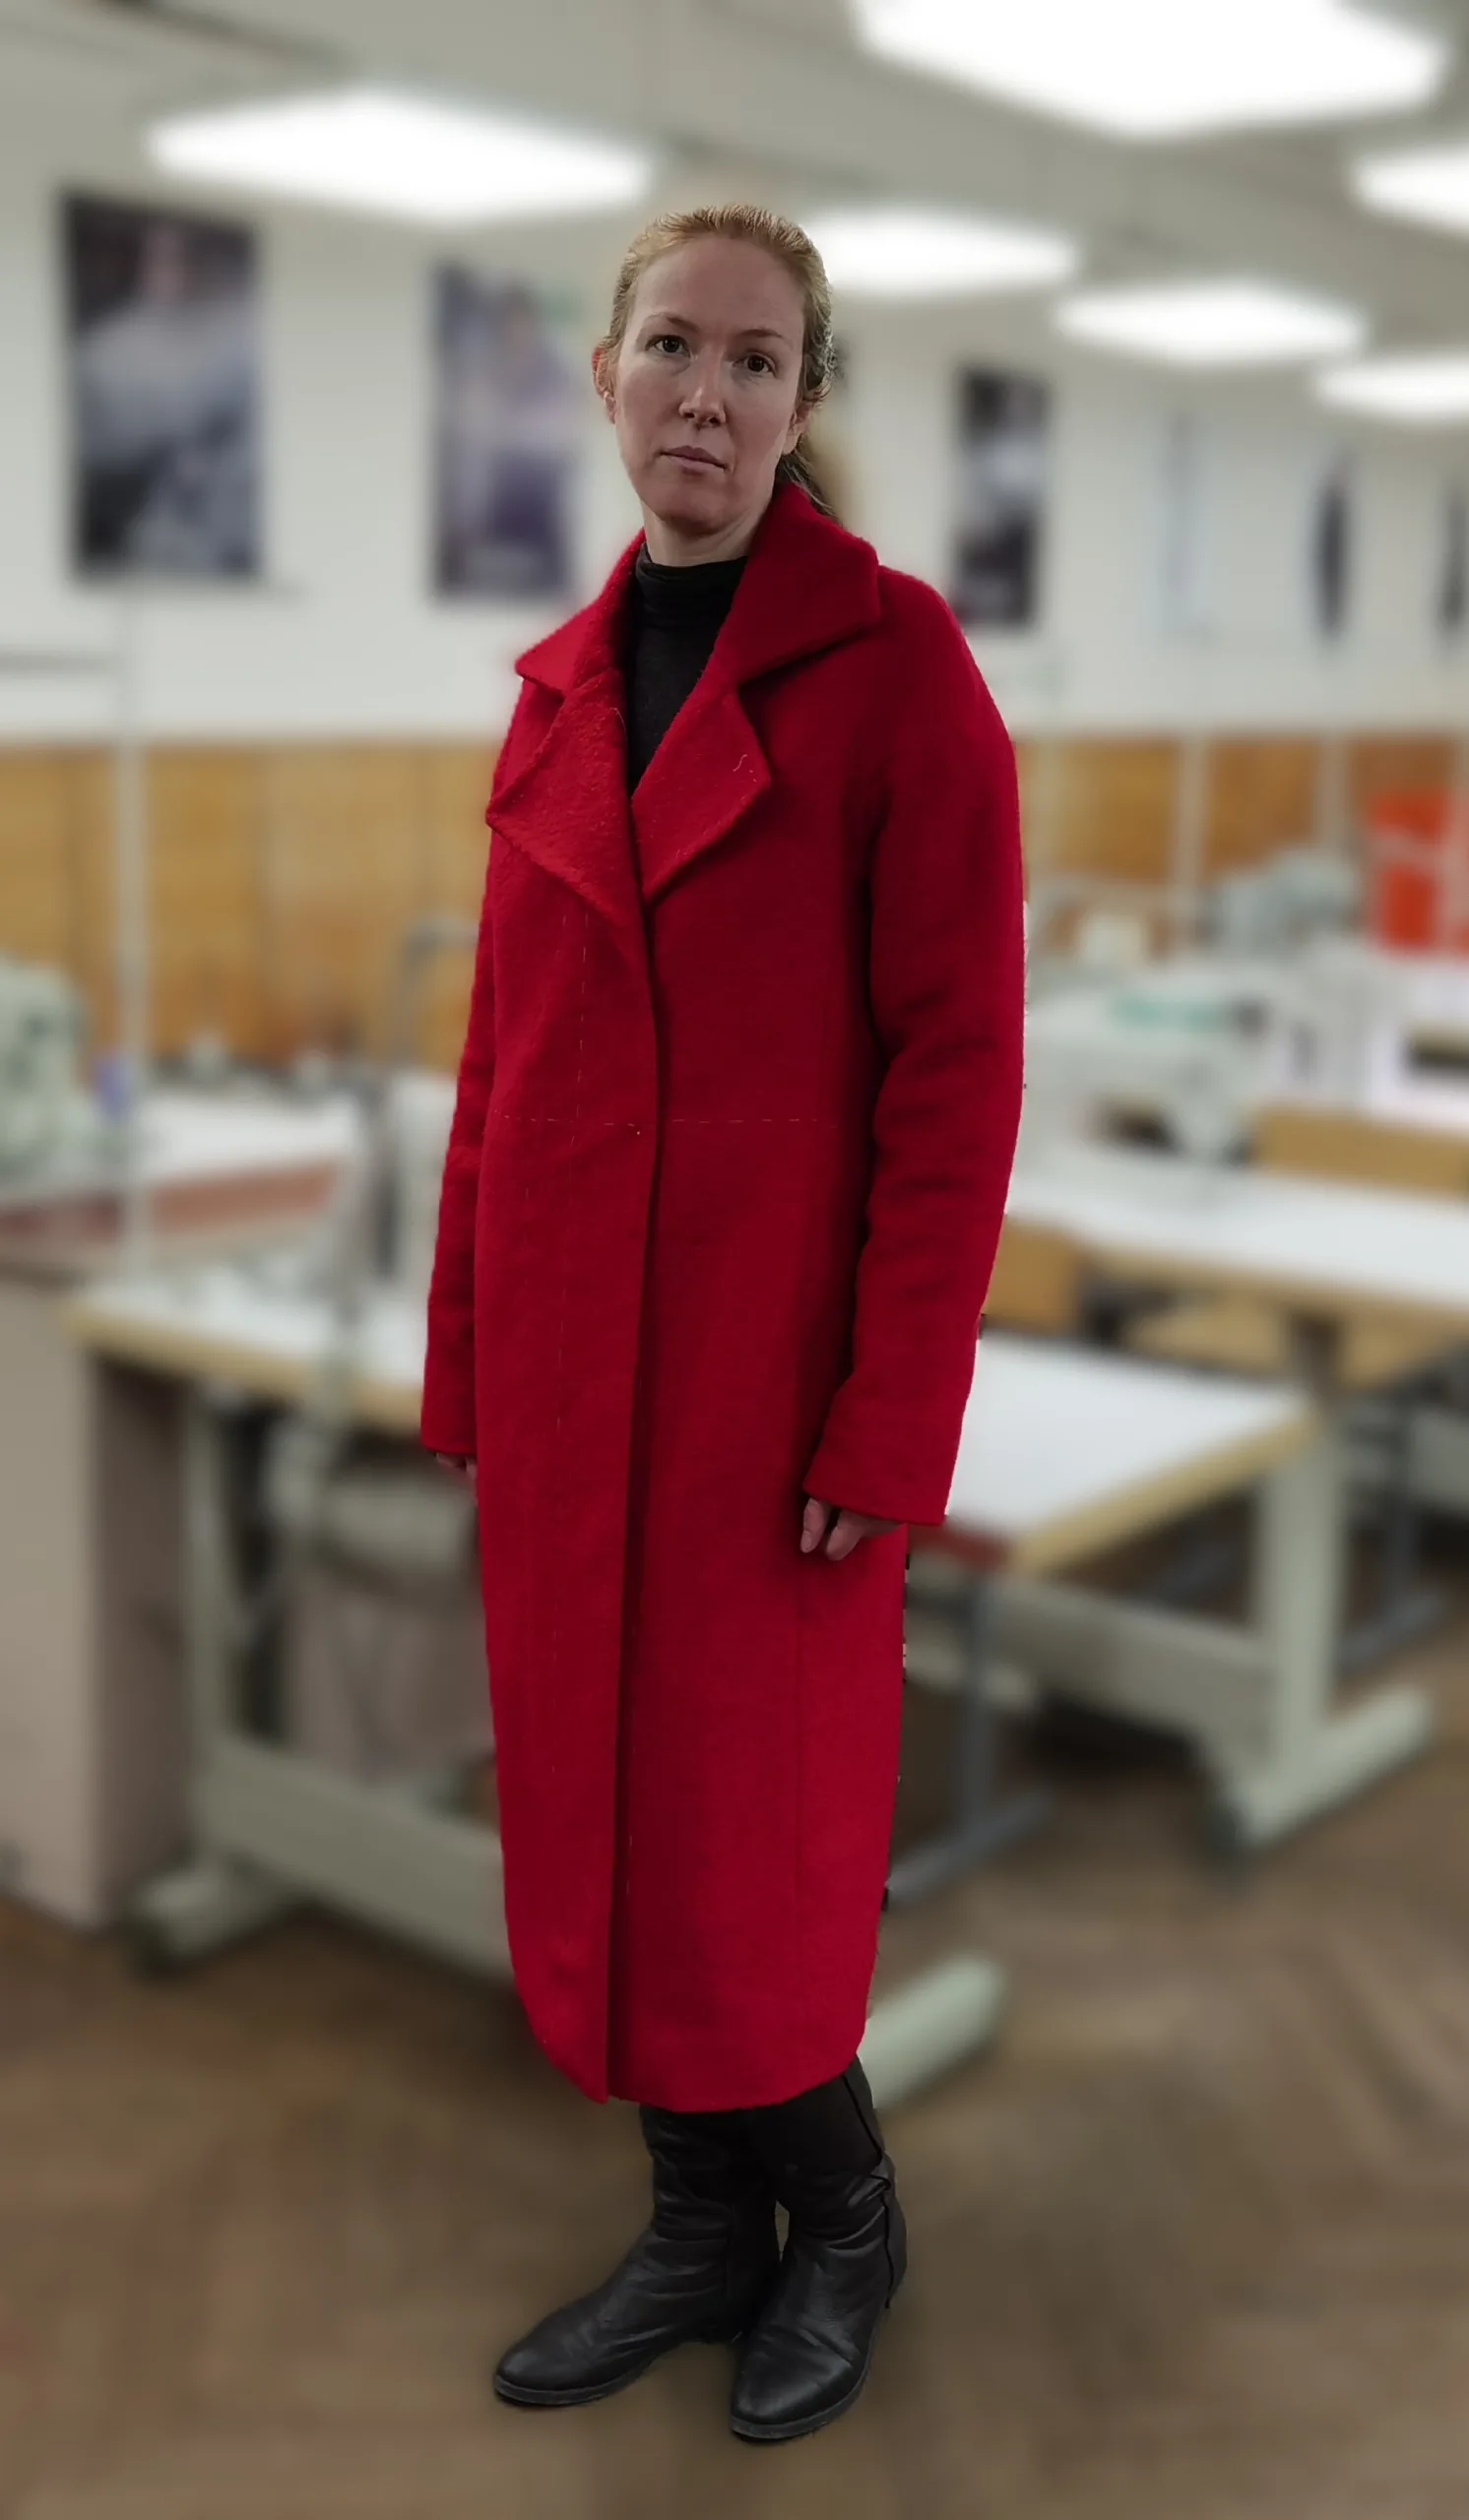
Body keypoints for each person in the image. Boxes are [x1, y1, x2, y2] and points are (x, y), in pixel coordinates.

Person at [421, 202, 1025, 2444]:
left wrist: (890, 1418)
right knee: (613, 1839)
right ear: (604, 376)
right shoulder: (556, 695)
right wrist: (468, 1357)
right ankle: (696, 2228)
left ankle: (842, 2220)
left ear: (802, 402)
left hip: (767, 1399)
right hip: (574, 1382)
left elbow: (958, 1077)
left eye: (754, 359)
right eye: (670, 343)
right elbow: (499, 1070)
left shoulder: (897, 668)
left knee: (747, 1858)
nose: (705, 390)